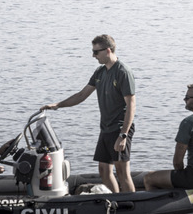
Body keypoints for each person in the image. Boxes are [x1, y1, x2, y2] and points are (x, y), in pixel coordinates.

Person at [41, 34, 137, 192]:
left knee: (122, 173)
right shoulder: (100, 72)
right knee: (104, 171)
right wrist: (58, 105)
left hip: (119, 129)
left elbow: (131, 104)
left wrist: (123, 135)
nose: (93, 55)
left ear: (107, 50)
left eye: (96, 52)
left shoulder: (122, 72)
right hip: (105, 128)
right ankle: (115, 201)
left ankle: (131, 206)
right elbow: (81, 95)